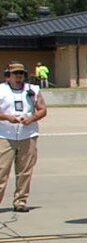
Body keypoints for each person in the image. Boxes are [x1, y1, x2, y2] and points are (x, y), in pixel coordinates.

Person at [0, 61, 47, 211]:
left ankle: (20, 201)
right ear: (8, 76)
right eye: (15, 74)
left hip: (28, 134)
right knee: (2, 171)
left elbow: (42, 109)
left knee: (25, 171)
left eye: (21, 74)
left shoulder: (32, 90)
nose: (19, 77)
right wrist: (7, 117)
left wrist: (31, 119)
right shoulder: (1, 90)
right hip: (5, 135)